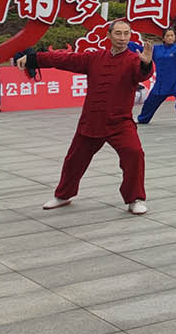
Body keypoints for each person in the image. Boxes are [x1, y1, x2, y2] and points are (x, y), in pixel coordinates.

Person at [35, 19, 155, 214]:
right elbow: (65, 60)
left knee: (134, 154)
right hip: (91, 121)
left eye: (126, 34)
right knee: (74, 159)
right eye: (118, 33)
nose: (122, 38)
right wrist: (34, 59)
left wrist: (146, 64)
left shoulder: (134, 60)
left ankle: (135, 199)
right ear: (109, 35)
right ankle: (63, 195)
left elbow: (143, 75)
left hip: (120, 122)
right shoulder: (94, 58)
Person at [135, 26, 176, 127]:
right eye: (167, 36)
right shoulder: (156, 49)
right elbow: (143, 52)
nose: (170, 38)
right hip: (161, 83)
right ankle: (143, 118)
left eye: (172, 35)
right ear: (163, 38)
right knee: (150, 102)